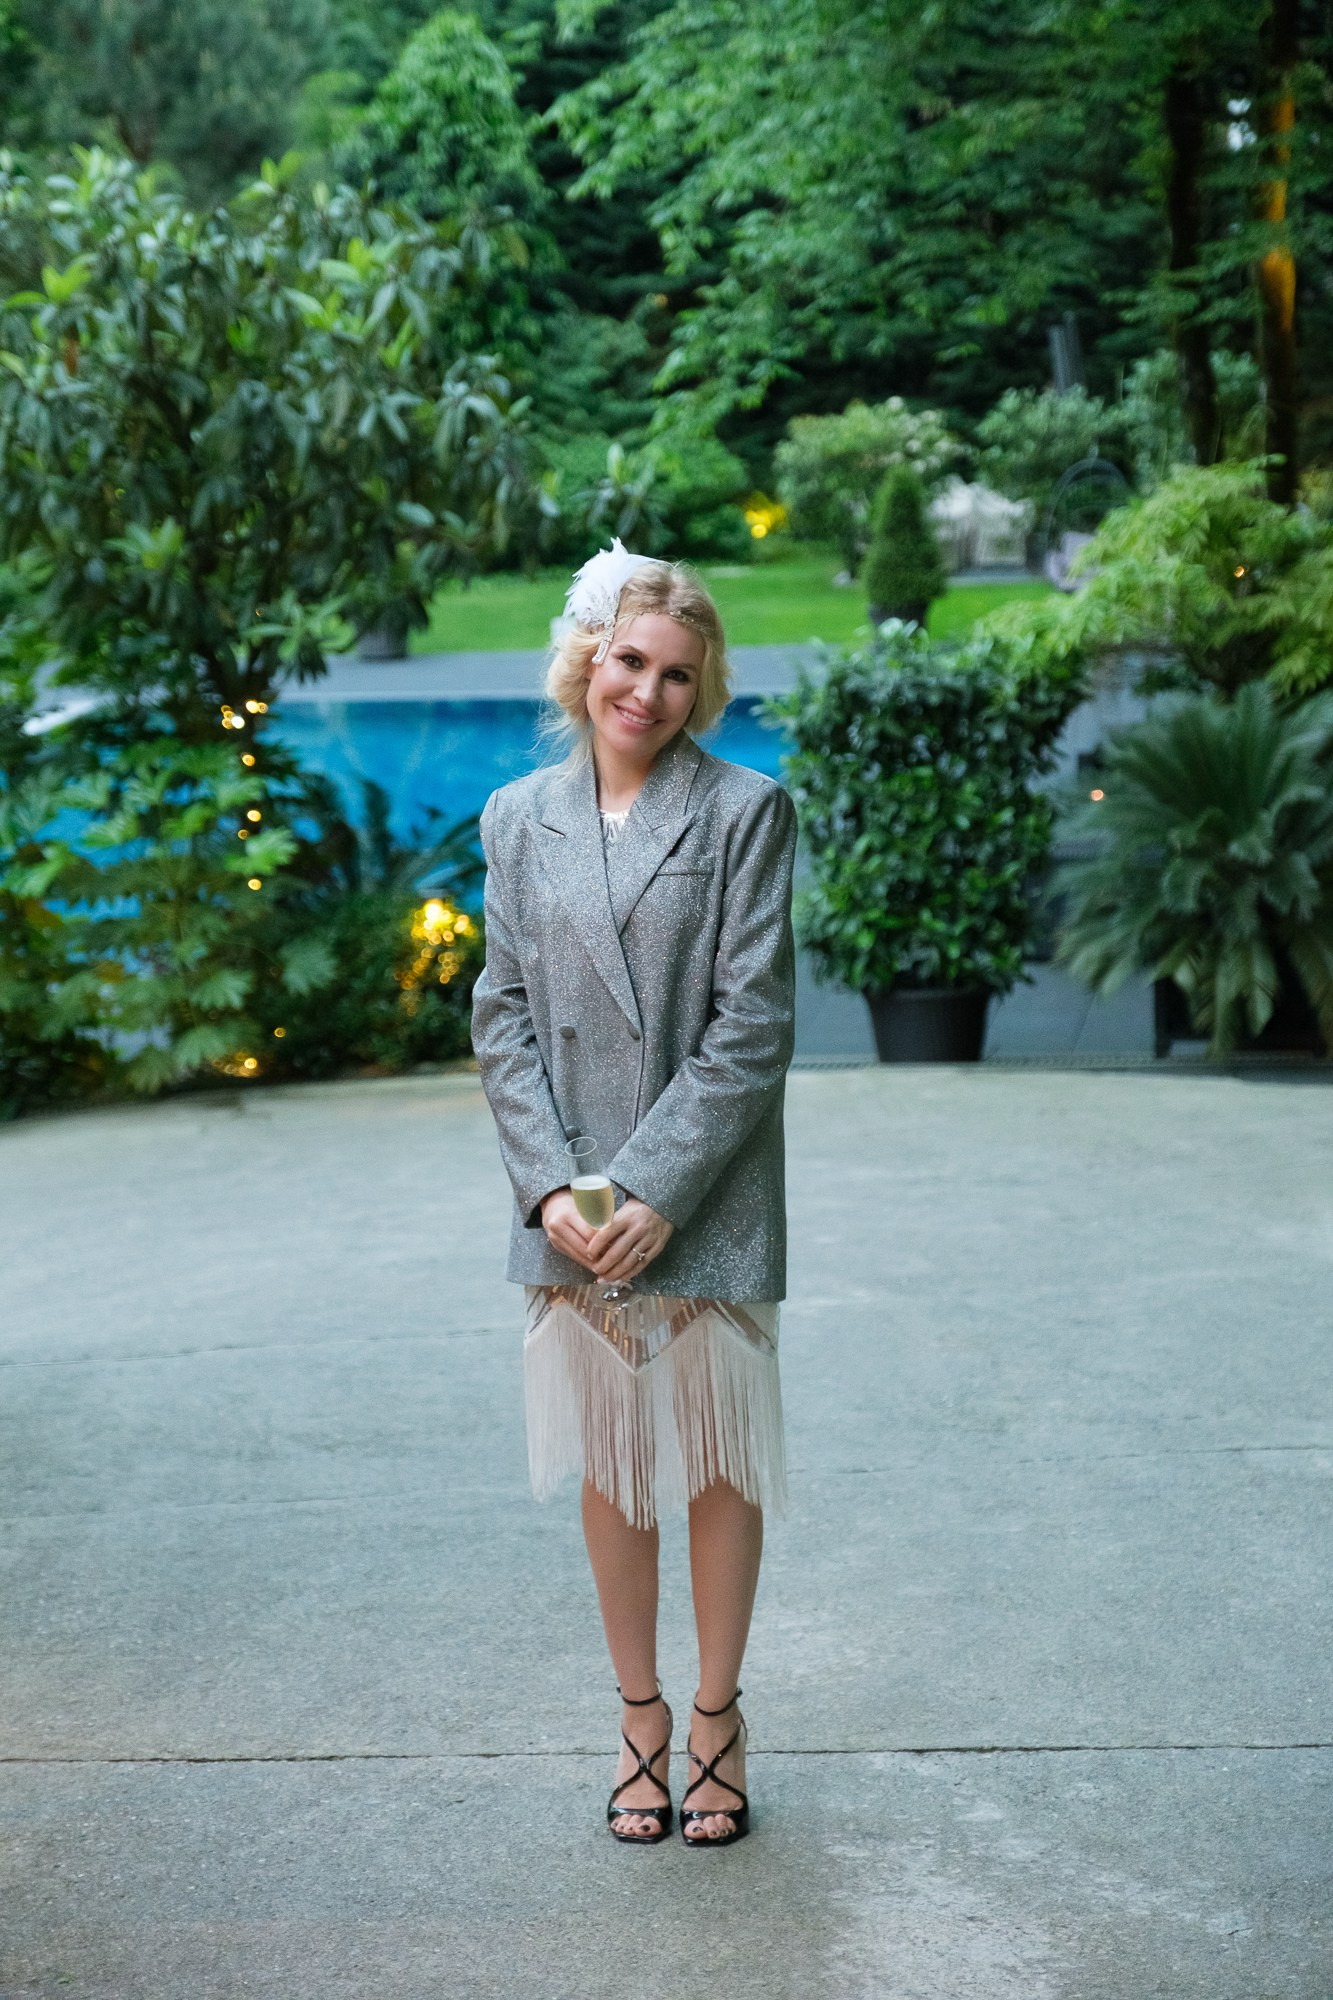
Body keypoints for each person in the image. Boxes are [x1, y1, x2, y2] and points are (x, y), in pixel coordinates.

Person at [471, 543, 796, 1847]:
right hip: (573, 1205)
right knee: (612, 1470)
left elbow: (752, 1024)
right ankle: (638, 1719)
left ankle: (716, 1719)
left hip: (706, 1190)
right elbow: (500, 1013)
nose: (646, 693)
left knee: (715, 1461)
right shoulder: (514, 817)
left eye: (675, 675)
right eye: (628, 662)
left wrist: (654, 1186)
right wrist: (551, 1187)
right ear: (586, 659)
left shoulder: (744, 812)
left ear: (699, 688)